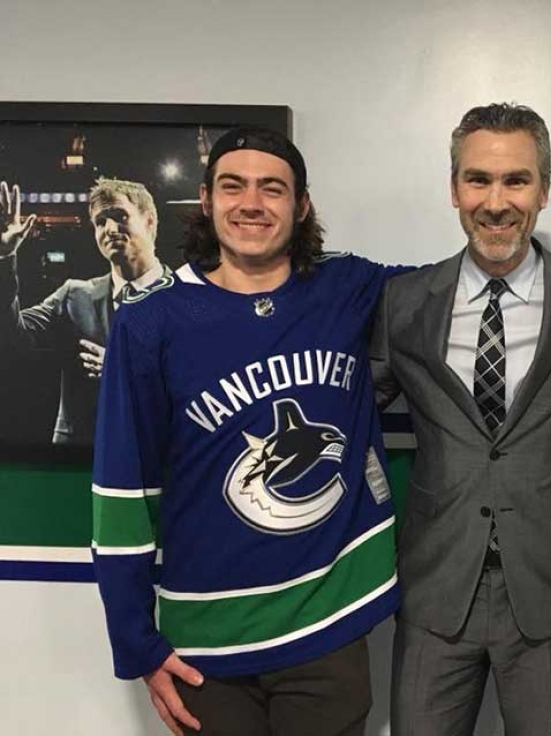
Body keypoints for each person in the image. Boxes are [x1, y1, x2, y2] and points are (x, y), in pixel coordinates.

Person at [91, 127, 408, 736]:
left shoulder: (346, 287)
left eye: (273, 188)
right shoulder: (149, 322)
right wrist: (137, 643)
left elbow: (456, 293)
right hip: (209, 644)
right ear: (206, 200)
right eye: (233, 186)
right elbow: (122, 491)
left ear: (302, 205)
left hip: (329, 627)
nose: (252, 203)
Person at [371, 103, 551, 735]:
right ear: (454, 188)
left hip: (549, 586)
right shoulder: (404, 302)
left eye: (516, 180)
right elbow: (345, 407)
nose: (496, 201)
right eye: (478, 179)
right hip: (435, 586)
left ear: (544, 191)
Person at [0, 177, 166, 444]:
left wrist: (124, 369)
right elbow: (11, 336)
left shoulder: (190, 299)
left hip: (161, 457)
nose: (110, 228)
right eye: (100, 222)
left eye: (120, 216)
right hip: (80, 460)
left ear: (149, 220)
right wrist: (4, 259)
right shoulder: (74, 296)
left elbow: (208, 382)